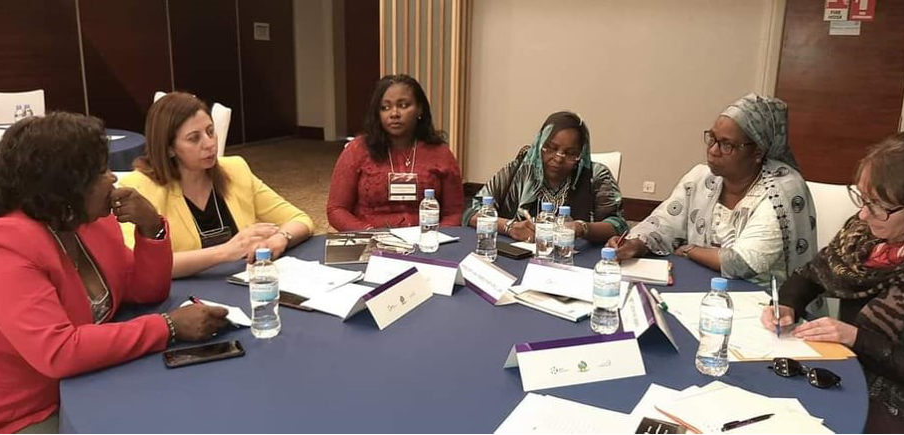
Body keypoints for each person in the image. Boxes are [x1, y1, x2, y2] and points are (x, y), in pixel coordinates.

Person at [0, 113, 229, 434]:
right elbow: (59, 351)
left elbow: (143, 292)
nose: (113, 179)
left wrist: (151, 229)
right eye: (100, 172)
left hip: (98, 376)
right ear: (65, 185)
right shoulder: (6, 246)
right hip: (33, 409)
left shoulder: (93, 221)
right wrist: (168, 327)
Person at [762, 130, 904, 434]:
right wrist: (786, 305)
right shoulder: (865, 233)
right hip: (848, 370)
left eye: (880, 206)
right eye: (863, 198)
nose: (863, 214)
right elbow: (811, 275)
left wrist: (856, 338)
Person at [609, 94, 816, 286]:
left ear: (757, 152)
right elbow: (663, 224)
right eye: (712, 139)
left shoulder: (783, 190)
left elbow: (741, 263)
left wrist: (690, 250)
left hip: (762, 304)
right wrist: (635, 244)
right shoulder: (702, 177)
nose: (713, 151)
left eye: (727, 145)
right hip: (701, 288)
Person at [119, 92, 314, 278]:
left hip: (242, 283)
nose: (209, 143)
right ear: (169, 148)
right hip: (182, 298)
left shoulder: (235, 169)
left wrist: (281, 238)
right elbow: (137, 263)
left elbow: (300, 219)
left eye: (210, 131)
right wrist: (224, 252)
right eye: (194, 138)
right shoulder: (140, 187)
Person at [463, 111, 627, 243]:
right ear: (539, 145)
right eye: (551, 148)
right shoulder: (518, 170)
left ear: (581, 154)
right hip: (516, 259)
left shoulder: (596, 176)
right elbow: (472, 213)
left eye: (571, 153)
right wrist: (509, 227)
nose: (559, 157)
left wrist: (581, 228)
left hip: (573, 262)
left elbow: (618, 225)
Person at [327, 74, 464, 230]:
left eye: (403, 105)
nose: (394, 114)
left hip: (426, 242)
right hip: (371, 241)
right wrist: (369, 234)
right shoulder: (358, 149)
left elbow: (454, 213)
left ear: (420, 109)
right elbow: (336, 209)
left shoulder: (441, 153)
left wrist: (434, 238)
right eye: (385, 107)